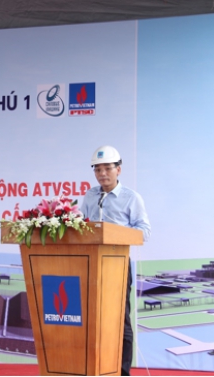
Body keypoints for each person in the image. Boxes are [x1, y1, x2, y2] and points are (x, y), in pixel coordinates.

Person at [81, 145, 150, 376]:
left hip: (117, 265)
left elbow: (144, 232)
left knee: (120, 320)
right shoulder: (91, 195)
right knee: (92, 318)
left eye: (107, 168)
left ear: (118, 169)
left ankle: (122, 371)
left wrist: (116, 233)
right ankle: (97, 368)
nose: (102, 174)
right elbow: (81, 225)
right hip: (90, 265)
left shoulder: (131, 198)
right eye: (97, 169)